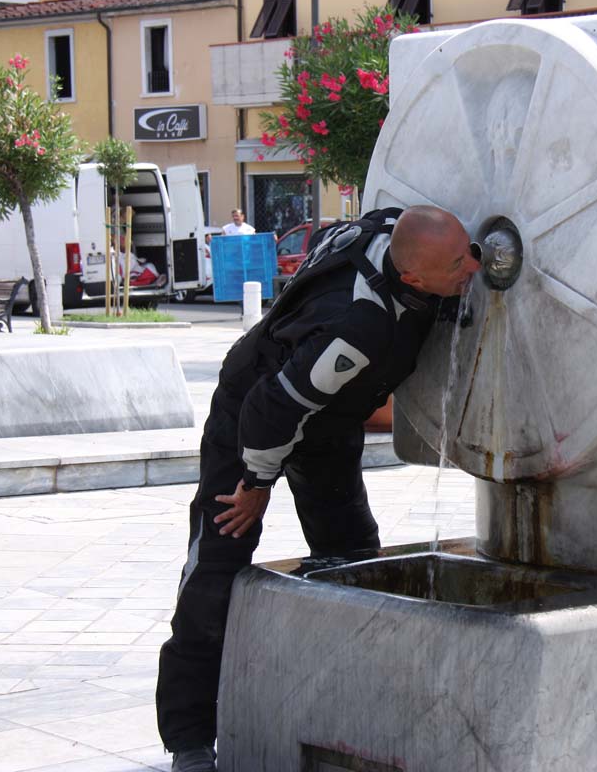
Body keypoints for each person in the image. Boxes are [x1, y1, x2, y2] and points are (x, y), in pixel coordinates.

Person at [157, 205, 481, 772]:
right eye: (458, 264)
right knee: (217, 563)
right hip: (255, 413)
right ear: (411, 276)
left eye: (468, 252)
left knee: (354, 556)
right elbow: (271, 410)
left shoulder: (388, 228)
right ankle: (189, 738)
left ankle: (351, 709)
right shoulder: (359, 326)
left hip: (326, 420)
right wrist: (256, 483)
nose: (473, 267)